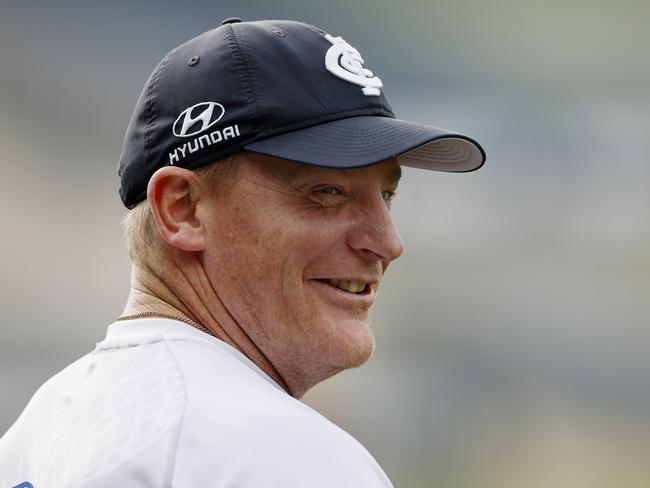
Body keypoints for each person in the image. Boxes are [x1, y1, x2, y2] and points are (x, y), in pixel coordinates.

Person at [0, 18, 485, 487]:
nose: (388, 242)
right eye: (328, 192)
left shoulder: (30, 440)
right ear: (183, 209)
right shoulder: (282, 456)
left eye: (386, 194)